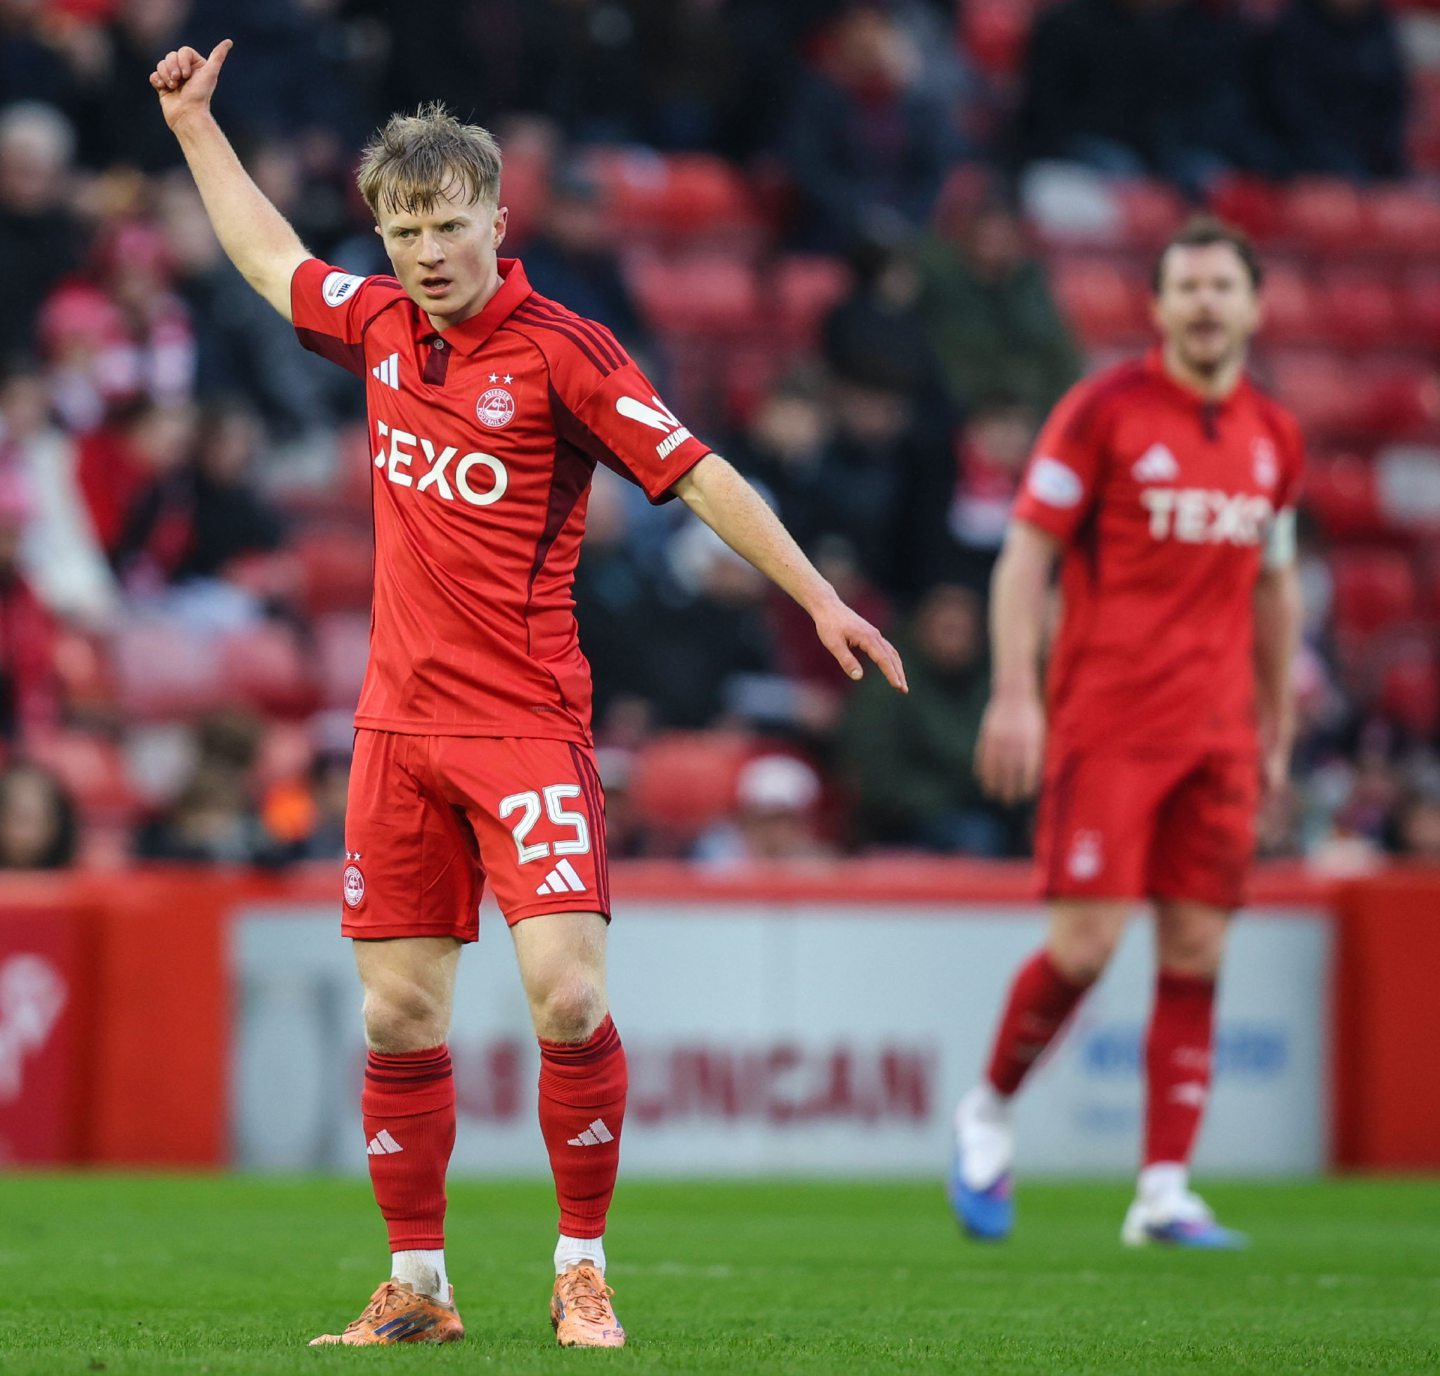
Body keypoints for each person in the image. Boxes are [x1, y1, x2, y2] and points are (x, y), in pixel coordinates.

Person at [149, 37, 906, 1350]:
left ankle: (580, 1265)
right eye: (402, 229)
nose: (426, 252)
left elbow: (703, 471)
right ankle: (419, 1289)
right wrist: (195, 130)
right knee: (399, 1012)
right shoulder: (379, 323)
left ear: (499, 219)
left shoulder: (565, 353)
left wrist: (816, 595)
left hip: (526, 729)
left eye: (448, 224)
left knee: (567, 996)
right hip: (394, 732)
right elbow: (272, 261)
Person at [949, 216, 1303, 1248]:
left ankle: (1162, 1190)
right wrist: (1017, 691)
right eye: (1185, 286)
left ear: (1254, 306)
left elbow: (1275, 589)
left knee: (1197, 948)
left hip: (1219, 733)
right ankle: (988, 1108)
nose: (1204, 304)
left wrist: (1274, 731)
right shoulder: (1103, 411)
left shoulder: (1274, 436)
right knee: (1089, 942)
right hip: (1108, 723)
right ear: (1156, 307)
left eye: (1221, 287)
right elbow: (1025, 555)